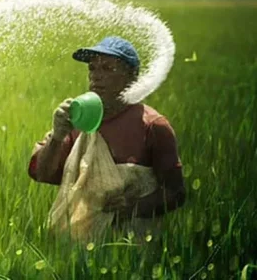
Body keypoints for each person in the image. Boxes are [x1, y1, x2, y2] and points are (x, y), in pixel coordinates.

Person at [28, 36, 185, 233]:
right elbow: (43, 174)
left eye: (108, 69)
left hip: (133, 246)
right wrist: (57, 137)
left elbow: (175, 193)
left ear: (132, 78)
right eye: (92, 68)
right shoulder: (77, 120)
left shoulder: (152, 126)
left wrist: (131, 206)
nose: (96, 76)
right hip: (80, 247)